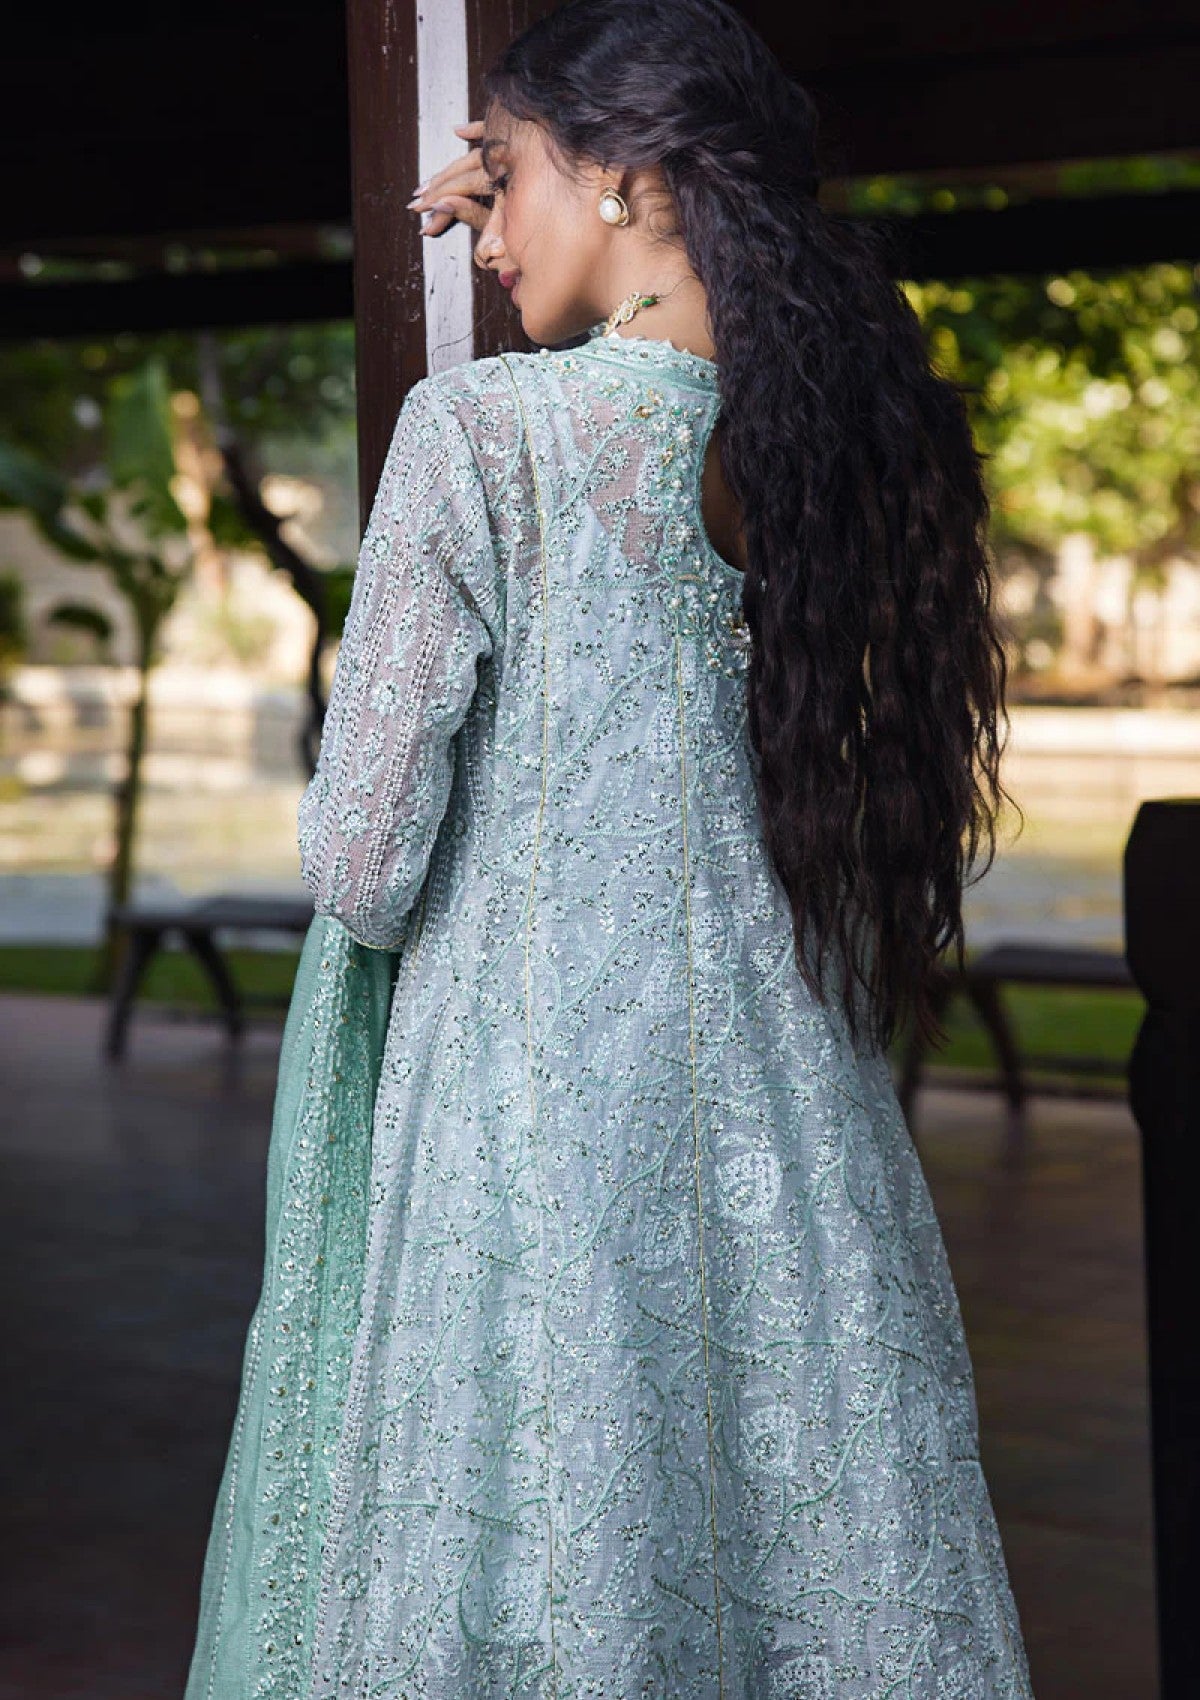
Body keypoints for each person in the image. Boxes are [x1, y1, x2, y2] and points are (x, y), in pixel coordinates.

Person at [184, 1, 1036, 1694]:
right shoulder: (833, 450)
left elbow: (362, 865)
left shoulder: (482, 437)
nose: (481, 227)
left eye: (497, 176)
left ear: (631, 174)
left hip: (528, 1127)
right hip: (789, 1121)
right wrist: (539, 181)